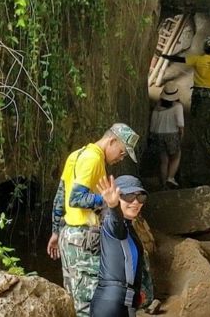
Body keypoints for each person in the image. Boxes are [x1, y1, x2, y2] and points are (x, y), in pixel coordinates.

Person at [47, 123, 140, 317]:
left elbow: (60, 195)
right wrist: (107, 200)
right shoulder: (93, 159)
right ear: (112, 141)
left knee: (75, 298)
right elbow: (75, 199)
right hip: (83, 239)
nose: (121, 158)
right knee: (89, 302)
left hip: (69, 235)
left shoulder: (78, 154)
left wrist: (56, 231)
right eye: (122, 152)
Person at [90, 175, 148, 317]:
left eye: (140, 197)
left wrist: (136, 292)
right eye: (128, 196)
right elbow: (117, 223)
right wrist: (113, 206)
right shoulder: (112, 221)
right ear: (117, 196)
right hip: (110, 305)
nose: (135, 202)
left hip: (122, 303)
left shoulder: (128, 226)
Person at [161, 36, 210, 115]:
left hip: (198, 91)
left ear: (204, 49)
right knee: (208, 113)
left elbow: (180, 59)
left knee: (195, 112)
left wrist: (165, 56)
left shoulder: (197, 59)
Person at [150, 84, 184, 188]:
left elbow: (152, 125)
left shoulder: (157, 107)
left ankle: (164, 184)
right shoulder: (178, 106)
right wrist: (181, 137)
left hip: (157, 135)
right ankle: (171, 177)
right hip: (171, 134)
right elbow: (180, 125)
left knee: (163, 160)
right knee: (177, 155)